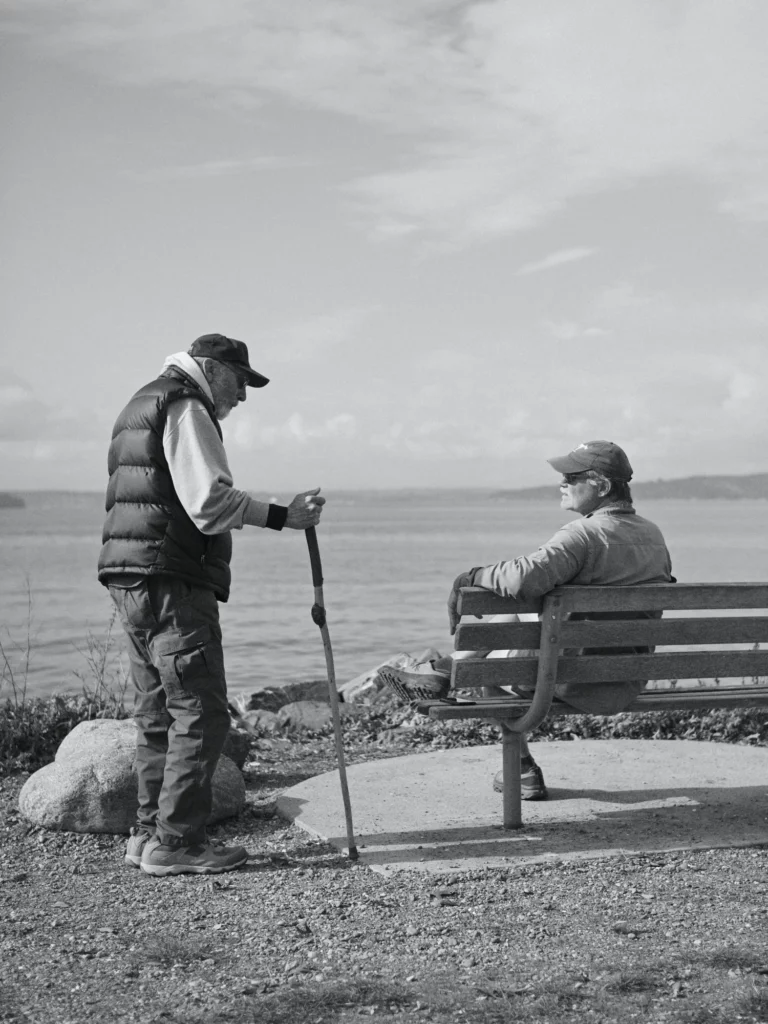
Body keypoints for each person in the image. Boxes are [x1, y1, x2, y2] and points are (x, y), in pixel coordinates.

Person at [97, 333, 325, 876]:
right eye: (240, 381)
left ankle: (148, 835)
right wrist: (283, 517)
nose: (242, 396)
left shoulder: (140, 403)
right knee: (201, 712)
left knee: (157, 713)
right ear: (210, 369)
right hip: (172, 578)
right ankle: (177, 843)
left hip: (129, 574)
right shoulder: (186, 405)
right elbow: (208, 503)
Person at [383, 440, 673, 800]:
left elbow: (521, 578)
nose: (562, 482)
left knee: (487, 669)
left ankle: (520, 768)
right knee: (519, 615)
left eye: (572, 477)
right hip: (626, 680)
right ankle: (441, 671)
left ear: (601, 485)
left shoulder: (583, 535)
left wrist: (470, 577)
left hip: (573, 683)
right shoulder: (653, 536)